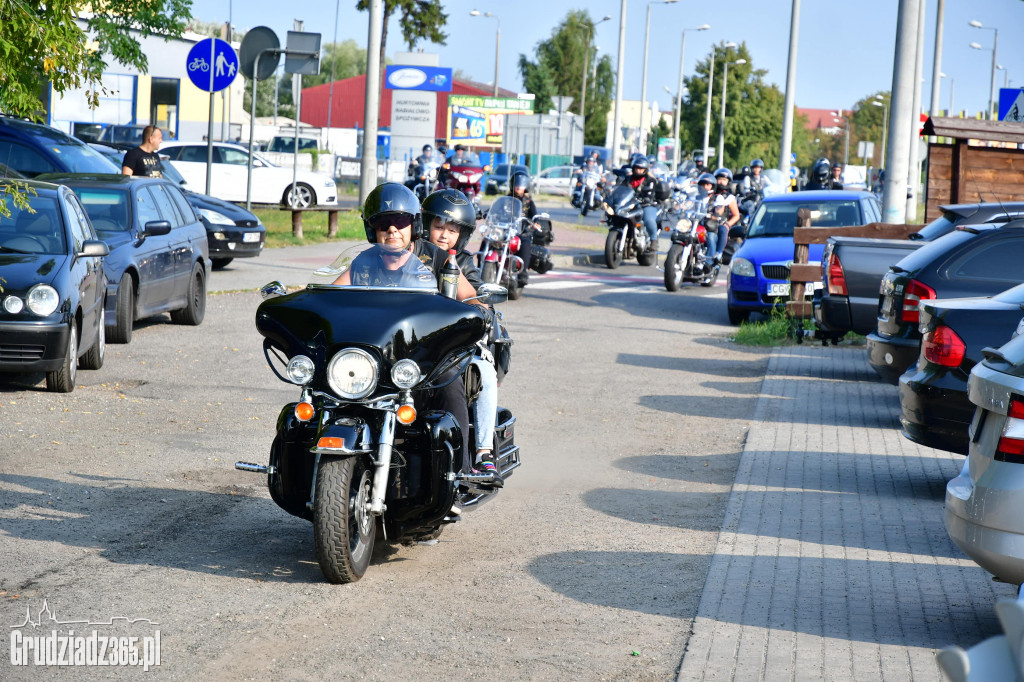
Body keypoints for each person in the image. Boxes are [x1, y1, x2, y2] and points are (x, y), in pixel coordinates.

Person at [332, 183, 484, 480]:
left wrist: (479, 312)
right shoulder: (363, 262)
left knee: (450, 384)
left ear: (412, 225)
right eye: (383, 224)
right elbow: (331, 293)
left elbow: (470, 298)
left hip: (423, 351)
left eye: (400, 223)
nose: (392, 230)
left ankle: (461, 473)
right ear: (372, 230)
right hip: (377, 351)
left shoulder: (438, 259)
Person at [422, 188, 504, 487]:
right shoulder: (410, 256)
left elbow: (480, 303)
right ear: (425, 225)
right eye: (438, 226)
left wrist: (456, 274)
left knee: (482, 369)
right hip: (416, 342)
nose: (444, 235)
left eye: (452, 230)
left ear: (462, 234)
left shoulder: (465, 263)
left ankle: (482, 453)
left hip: (453, 344)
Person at [624, 156, 659, 254]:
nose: (638, 171)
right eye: (637, 168)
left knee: (648, 220)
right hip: (630, 204)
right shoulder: (628, 179)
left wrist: (647, 198)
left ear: (645, 170)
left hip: (647, 205)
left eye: (641, 169)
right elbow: (621, 188)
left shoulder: (650, 180)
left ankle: (653, 240)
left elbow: (650, 192)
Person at [507, 171, 537, 285]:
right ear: (512, 184)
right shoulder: (507, 199)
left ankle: (522, 274)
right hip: (505, 230)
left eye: (522, 184)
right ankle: (481, 267)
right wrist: (486, 213)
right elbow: (496, 209)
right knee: (488, 240)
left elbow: (534, 215)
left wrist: (536, 221)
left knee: (525, 243)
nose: (519, 187)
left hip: (521, 231)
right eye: (517, 184)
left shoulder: (528, 201)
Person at [710, 167, 741, 270]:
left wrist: (728, 224)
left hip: (720, 223)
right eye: (719, 179)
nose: (721, 182)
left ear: (728, 182)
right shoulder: (709, 194)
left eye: (724, 180)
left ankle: (718, 255)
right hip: (707, 221)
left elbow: (736, 215)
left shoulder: (729, 198)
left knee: (723, 229)